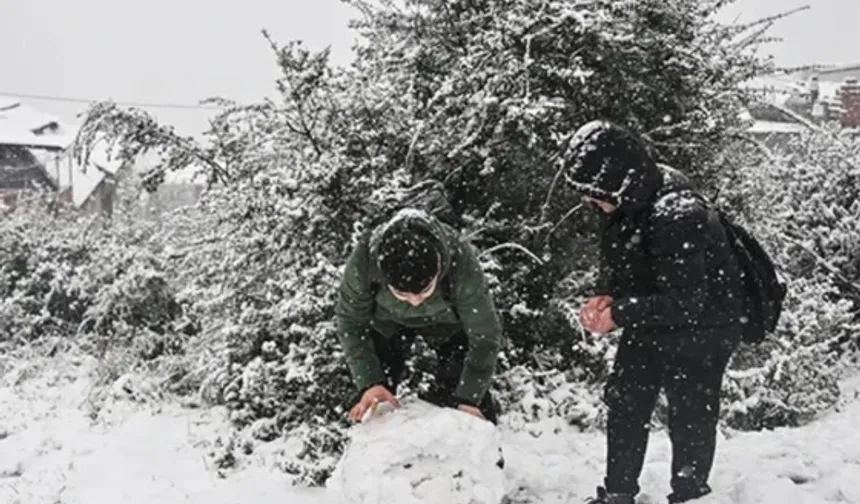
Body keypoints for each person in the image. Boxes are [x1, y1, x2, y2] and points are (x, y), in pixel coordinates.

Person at [563, 120, 746, 504]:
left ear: (618, 181)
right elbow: (624, 255)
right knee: (627, 399)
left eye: (594, 195)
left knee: (690, 411)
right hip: (656, 311)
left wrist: (621, 313)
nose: (590, 204)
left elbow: (686, 301)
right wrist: (607, 296)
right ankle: (617, 493)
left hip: (708, 321)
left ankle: (690, 493)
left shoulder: (677, 211)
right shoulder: (628, 199)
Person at [335, 208, 503, 425]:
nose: (415, 301)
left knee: (471, 414)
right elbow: (351, 324)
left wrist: (468, 398)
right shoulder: (364, 263)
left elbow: (484, 334)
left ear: (439, 269)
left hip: (448, 327)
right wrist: (370, 383)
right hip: (387, 326)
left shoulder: (460, 262)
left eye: (424, 292)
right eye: (402, 294)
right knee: (372, 407)